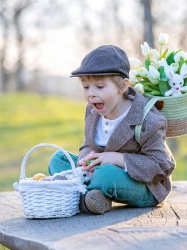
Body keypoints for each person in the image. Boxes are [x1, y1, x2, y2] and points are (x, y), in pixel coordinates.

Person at [48, 45, 176, 214]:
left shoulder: (148, 119)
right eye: (86, 87)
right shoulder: (93, 110)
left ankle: (77, 197)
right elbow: (88, 144)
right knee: (59, 159)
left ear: (122, 87)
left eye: (99, 86)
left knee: (105, 174)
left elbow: (162, 165)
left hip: (143, 185)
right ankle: (93, 198)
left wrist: (117, 158)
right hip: (99, 173)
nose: (91, 94)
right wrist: (86, 159)